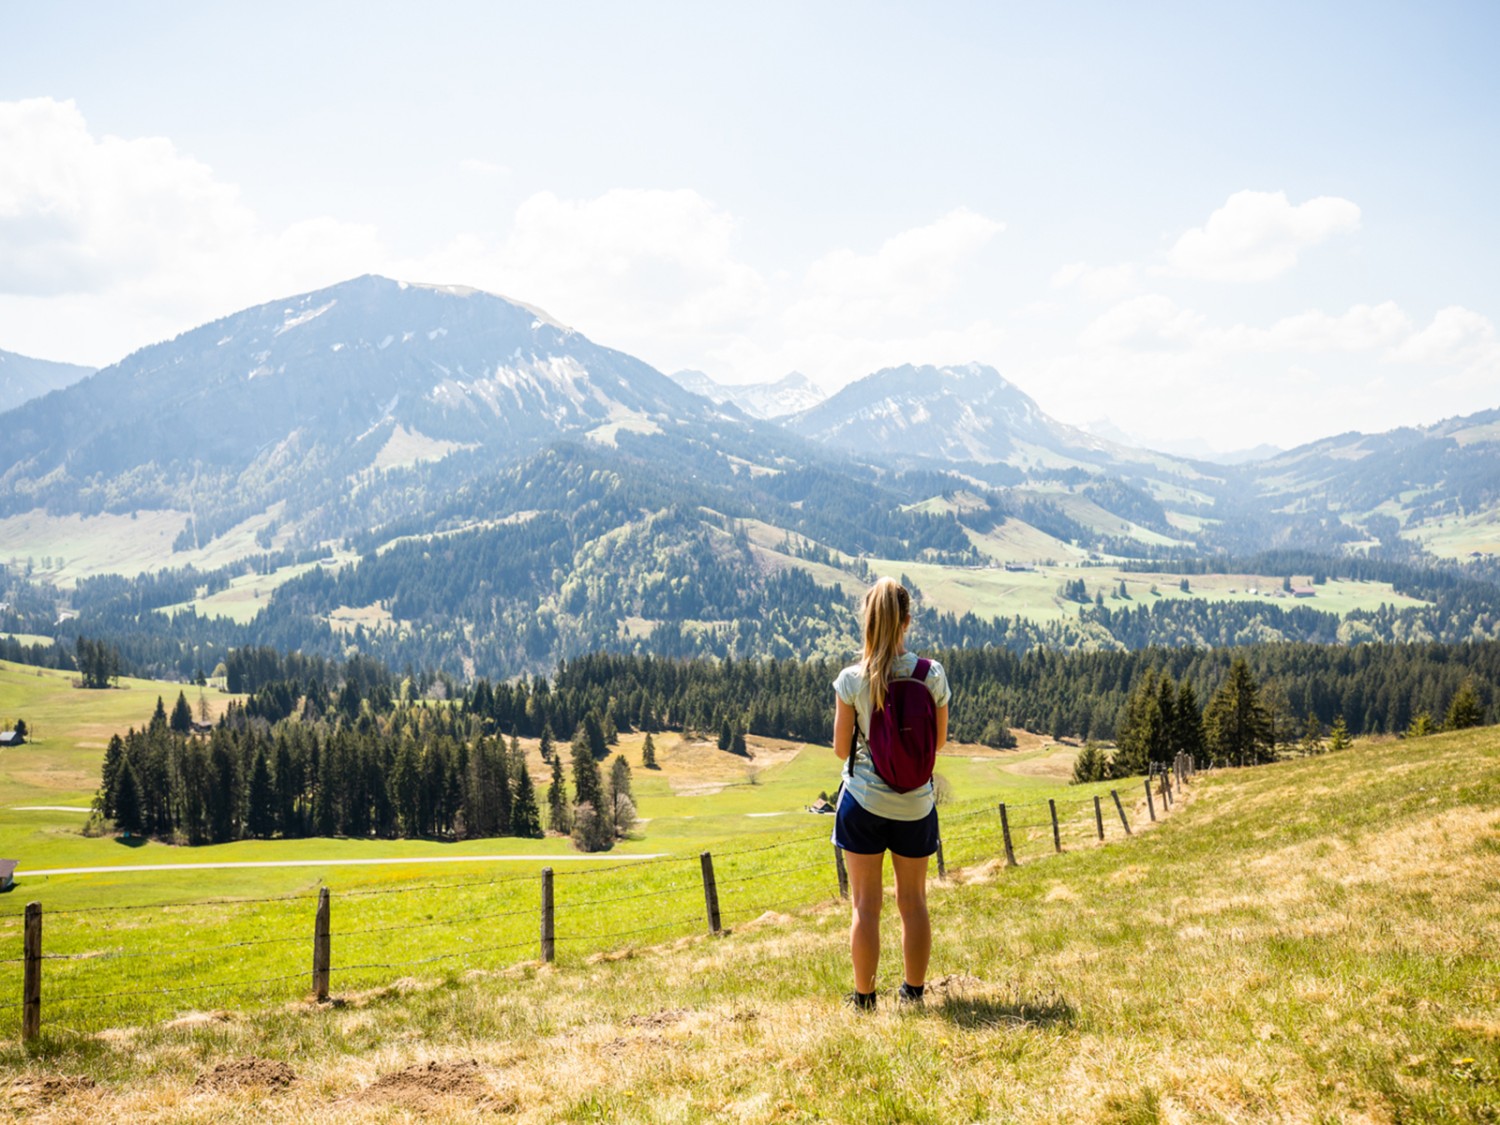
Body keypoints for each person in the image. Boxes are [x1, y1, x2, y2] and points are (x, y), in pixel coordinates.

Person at [832, 576, 950, 1009]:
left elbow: (841, 749)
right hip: (916, 803)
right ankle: (914, 993)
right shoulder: (930, 674)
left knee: (866, 905)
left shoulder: (852, 680)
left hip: (863, 801)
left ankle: (864, 998)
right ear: (907, 621)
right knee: (913, 901)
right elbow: (937, 743)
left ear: (869, 620)